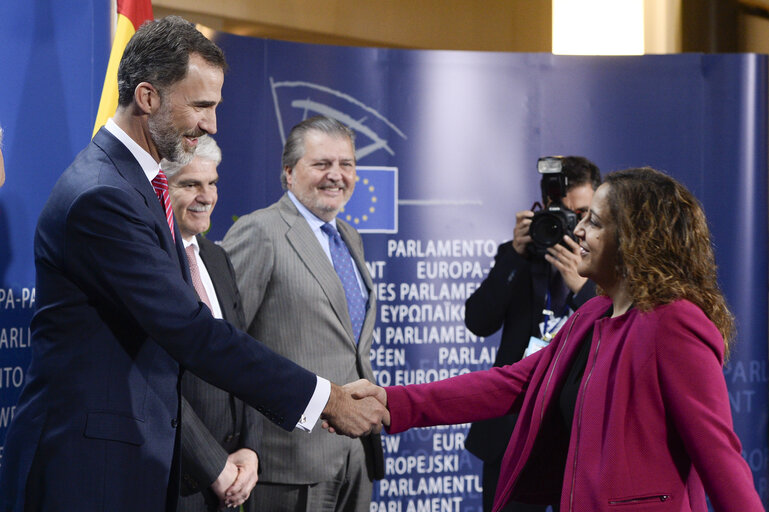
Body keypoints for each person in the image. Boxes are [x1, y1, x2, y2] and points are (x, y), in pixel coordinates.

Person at [0, 17, 385, 512]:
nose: (212, 124)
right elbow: (190, 330)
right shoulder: (103, 195)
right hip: (86, 470)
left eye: (215, 106)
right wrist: (324, 399)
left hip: (131, 460)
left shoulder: (138, 185)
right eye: (201, 105)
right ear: (147, 97)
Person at [344, 167, 764, 511]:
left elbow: (719, 456)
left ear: (635, 240)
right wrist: (392, 401)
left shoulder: (675, 322)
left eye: (594, 221)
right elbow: (514, 383)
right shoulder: (592, 314)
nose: (577, 230)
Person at [222, 115, 384, 511]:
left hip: (355, 455)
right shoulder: (260, 232)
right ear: (289, 172)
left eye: (346, 164)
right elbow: (222, 344)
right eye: (322, 164)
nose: (336, 175)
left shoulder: (350, 237)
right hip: (286, 460)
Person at [464, 156, 600, 512]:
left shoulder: (609, 265)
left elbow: (621, 336)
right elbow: (478, 322)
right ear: (542, 210)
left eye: (584, 214)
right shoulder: (518, 256)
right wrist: (515, 257)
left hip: (578, 435)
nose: (574, 227)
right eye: (563, 213)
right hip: (512, 434)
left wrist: (583, 290)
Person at [163, 135, 260, 511]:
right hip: (178, 477)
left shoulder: (218, 258)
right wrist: (212, 466)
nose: (206, 196)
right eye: (190, 184)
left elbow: (244, 355)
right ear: (161, 189)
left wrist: (250, 449)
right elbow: (153, 383)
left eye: (212, 183)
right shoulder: (153, 264)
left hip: (237, 477)